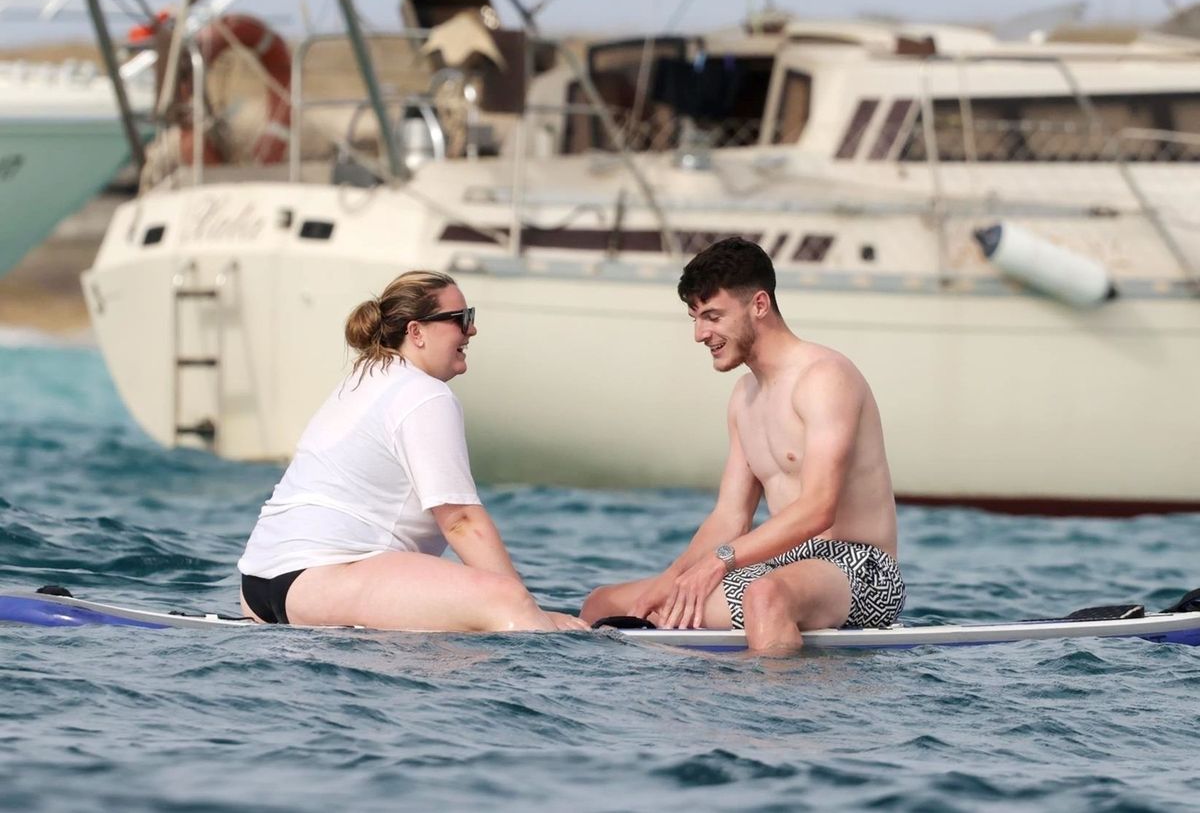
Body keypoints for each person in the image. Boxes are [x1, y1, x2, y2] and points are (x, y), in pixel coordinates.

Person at [580, 237, 905, 651]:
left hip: (861, 568)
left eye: (713, 316)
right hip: (779, 564)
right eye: (695, 318)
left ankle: (770, 712)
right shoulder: (743, 397)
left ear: (759, 305)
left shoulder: (825, 378)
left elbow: (820, 508)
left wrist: (719, 561)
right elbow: (729, 518)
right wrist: (671, 581)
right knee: (606, 604)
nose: (701, 334)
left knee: (764, 598)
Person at [237, 270, 586, 633]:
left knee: (449, 656)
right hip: (323, 582)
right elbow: (460, 521)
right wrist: (533, 613)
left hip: (257, 585)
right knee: (508, 603)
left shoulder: (365, 378)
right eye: (461, 319)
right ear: (416, 332)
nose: (472, 330)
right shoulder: (424, 394)